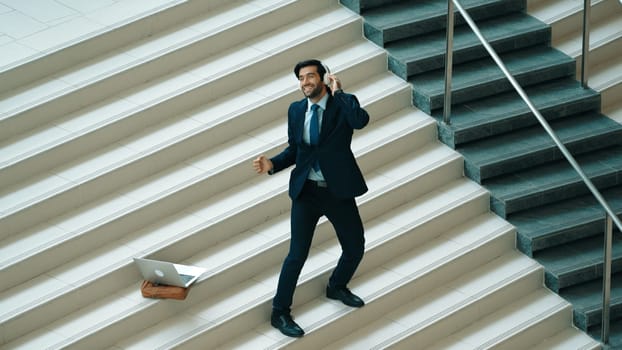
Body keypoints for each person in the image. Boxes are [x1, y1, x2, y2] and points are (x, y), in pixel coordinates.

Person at [253, 59, 370, 338]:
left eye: (310, 76)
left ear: (324, 78)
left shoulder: (343, 105)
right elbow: (296, 149)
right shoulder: (296, 110)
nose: (305, 82)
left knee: (355, 247)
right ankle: (279, 312)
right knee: (297, 255)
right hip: (306, 192)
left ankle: (336, 286)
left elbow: (360, 121)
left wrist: (339, 93)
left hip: (337, 190)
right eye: (301, 78)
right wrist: (272, 164)